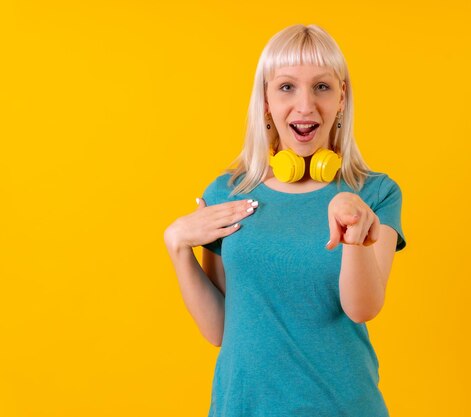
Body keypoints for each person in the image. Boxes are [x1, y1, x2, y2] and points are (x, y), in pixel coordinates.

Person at [164, 24, 406, 417]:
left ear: (342, 97)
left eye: (322, 87)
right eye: (287, 87)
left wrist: (353, 232)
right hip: (242, 407)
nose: (306, 105)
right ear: (265, 100)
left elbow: (362, 308)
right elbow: (218, 330)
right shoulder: (229, 192)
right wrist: (177, 245)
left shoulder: (374, 194)